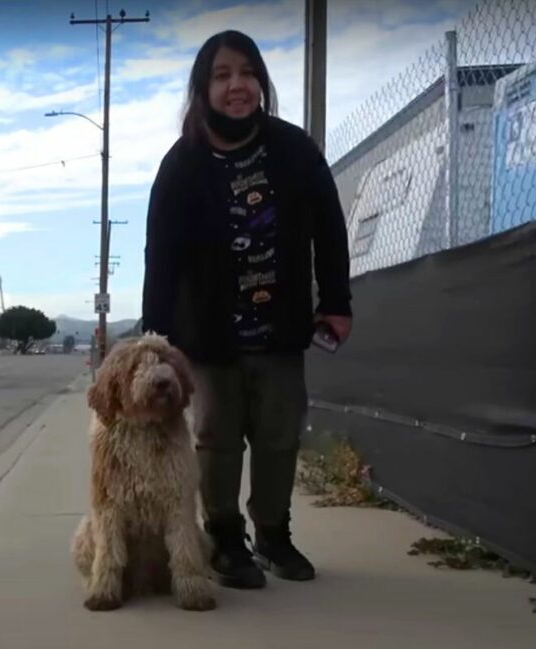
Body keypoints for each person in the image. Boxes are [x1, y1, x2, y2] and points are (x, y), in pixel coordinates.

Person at [142, 30, 352, 590]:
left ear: (261, 81)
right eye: (222, 75)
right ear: (203, 88)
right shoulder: (182, 163)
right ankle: (226, 538)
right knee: (216, 436)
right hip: (208, 336)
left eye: (247, 73)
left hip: (280, 327)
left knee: (280, 436)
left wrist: (336, 302)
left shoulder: (294, 149)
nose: (237, 85)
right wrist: (154, 339)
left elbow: (330, 230)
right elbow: (159, 255)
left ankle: (274, 535)